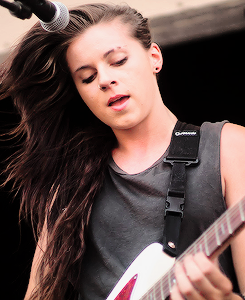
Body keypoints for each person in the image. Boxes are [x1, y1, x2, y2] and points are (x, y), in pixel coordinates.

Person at [0, 3, 245, 300]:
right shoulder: (70, 180)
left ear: (154, 57)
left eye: (117, 61)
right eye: (87, 77)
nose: (104, 80)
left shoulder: (230, 146)